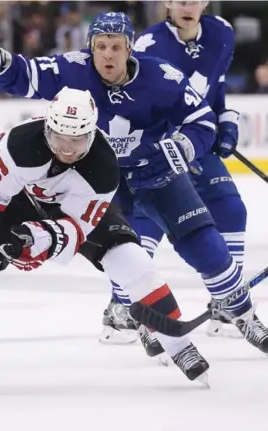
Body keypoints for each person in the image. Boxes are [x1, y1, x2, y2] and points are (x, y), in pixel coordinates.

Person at [0, 11, 268, 358]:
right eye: (100, 46)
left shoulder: (161, 75)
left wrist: (178, 148)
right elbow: (25, 74)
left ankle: (243, 312)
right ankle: (142, 319)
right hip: (100, 181)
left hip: (155, 174)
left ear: (130, 48)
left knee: (204, 243)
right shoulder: (74, 68)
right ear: (91, 48)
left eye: (116, 47)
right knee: (126, 254)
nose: (108, 55)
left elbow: (202, 120)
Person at [0, 88, 209, 396]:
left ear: (92, 134)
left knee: (132, 262)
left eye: (77, 140)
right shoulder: (19, 146)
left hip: (72, 214)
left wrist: (43, 241)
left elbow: (76, 229)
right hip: (17, 204)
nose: (67, 149)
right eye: (59, 138)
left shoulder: (103, 167)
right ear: (47, 127)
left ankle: (178, 344)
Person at [110, 1, 245, 342]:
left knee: (231, 209)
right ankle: (120, 308)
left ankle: (226, 303)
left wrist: (224, 122)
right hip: (159, 146)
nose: (187, 6)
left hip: (196, 141)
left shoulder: (222, 32)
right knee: (146, 226)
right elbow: (135, 102)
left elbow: (217, 87)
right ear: (166, 3)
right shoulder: (147, 45)